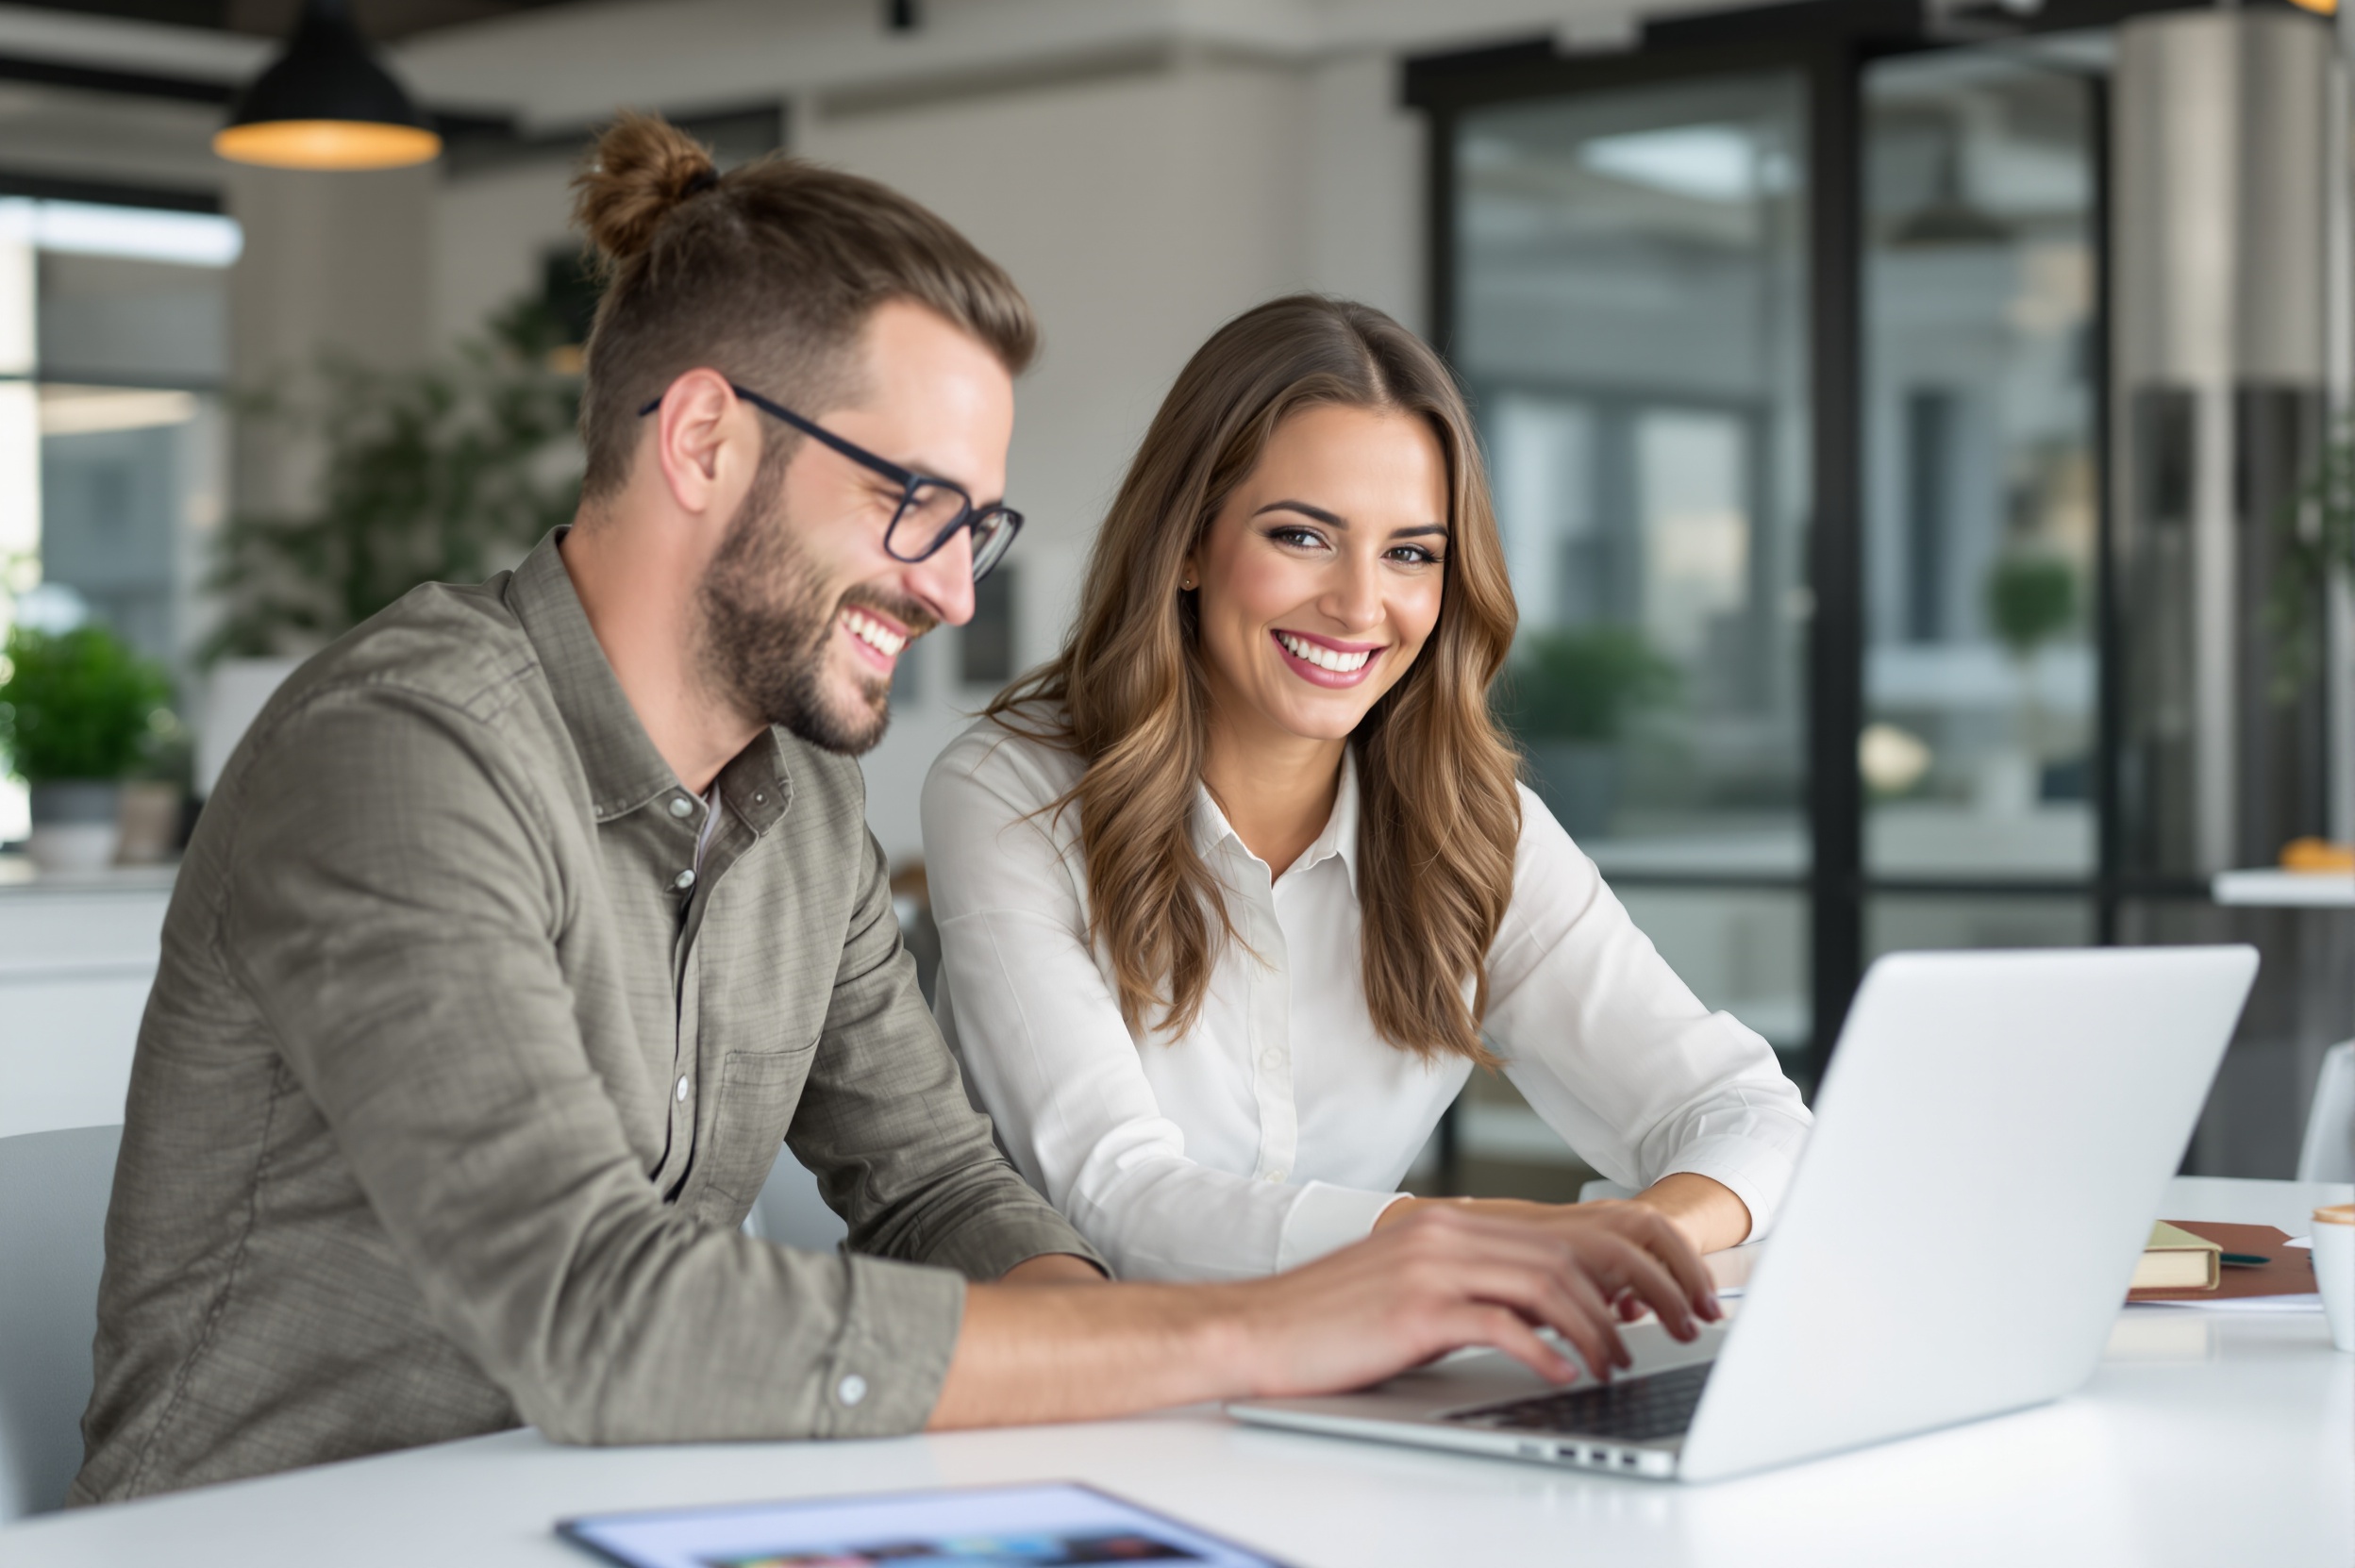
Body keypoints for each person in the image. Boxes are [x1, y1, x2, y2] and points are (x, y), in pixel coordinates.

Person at [73, 120, 1718, 1506]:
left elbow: (940, 1189)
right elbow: (593, 1311)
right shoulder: (406, 749)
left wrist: (1148, 1383)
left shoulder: (799, 807)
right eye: (910, 502)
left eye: (973, 523)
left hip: (613, 1503)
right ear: (705, 435)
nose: (946, 590)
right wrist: (1264, 1325)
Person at [922, 295, 1812, 1286]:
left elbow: (1744, 1109)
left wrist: (1642, 1239)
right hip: (1051, 1394)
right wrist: (1483, 1247)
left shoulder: (1468, 821)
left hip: (1338, 1388)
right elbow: (1116, 1196)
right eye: (1302, 536)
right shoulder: (1011, 792)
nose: (1358, 605)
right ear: (1184, 545)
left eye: (1410, 553)